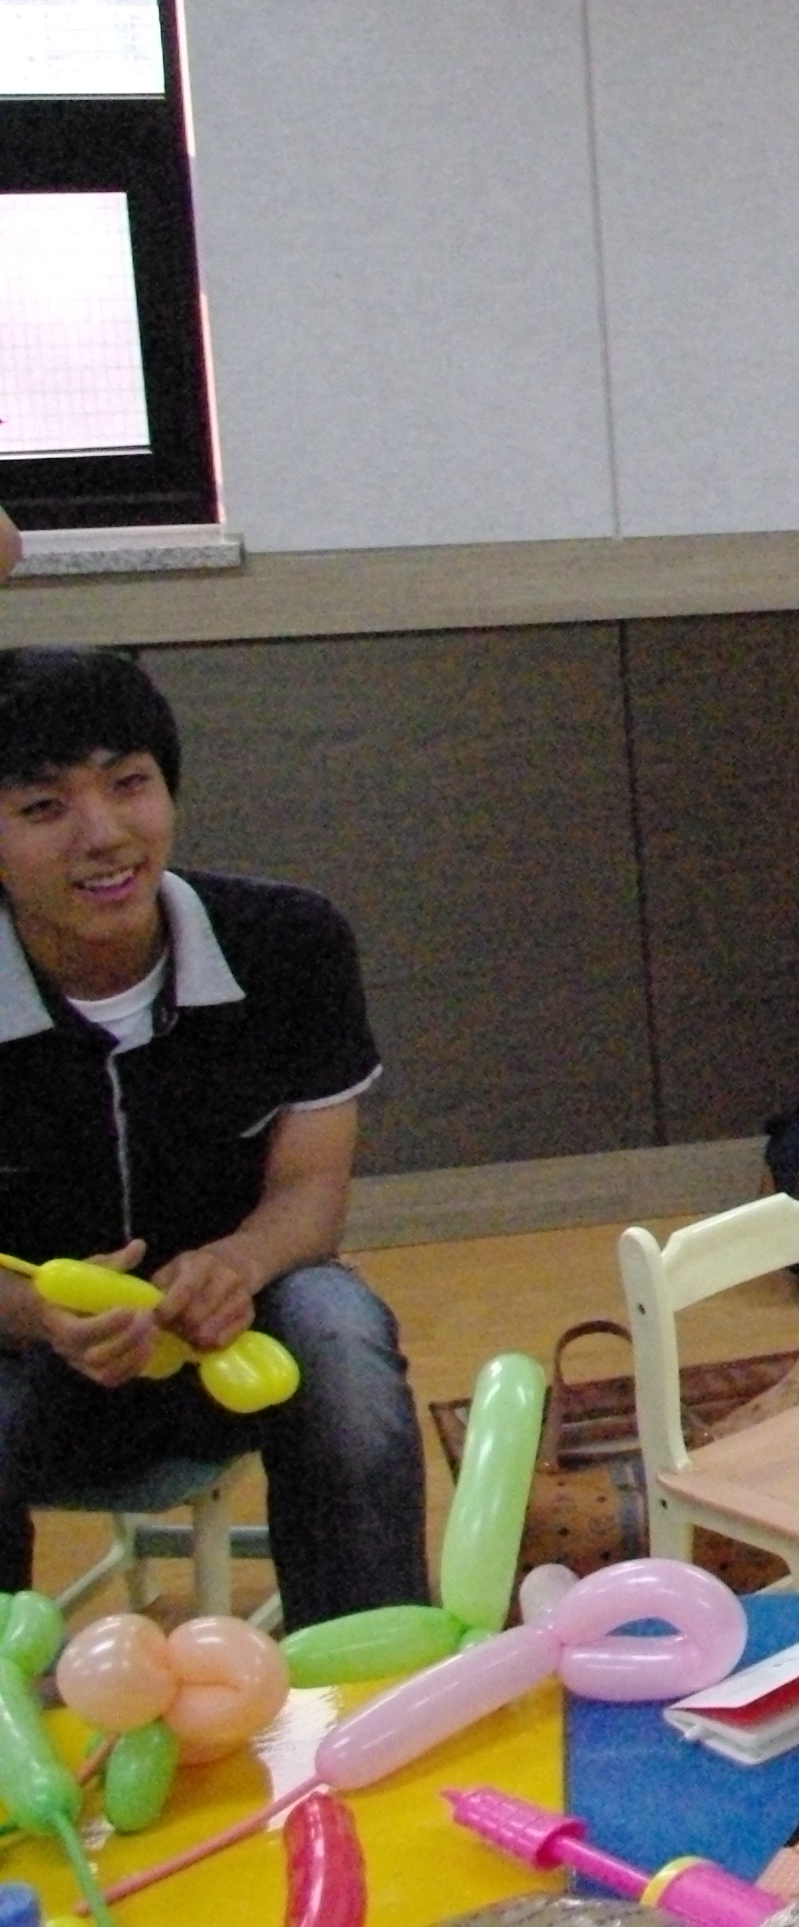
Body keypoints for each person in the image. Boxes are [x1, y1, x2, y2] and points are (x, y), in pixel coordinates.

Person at [0, 645, 431, 1623]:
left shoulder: (288, 942)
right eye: (44, 807)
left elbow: (311, 1191)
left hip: (231, 1344)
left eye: (129, 785)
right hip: (28, 1362)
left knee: (335, 1321)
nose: (104, 836)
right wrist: (39, 1313)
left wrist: (236, 1265)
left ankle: (371, 1663)